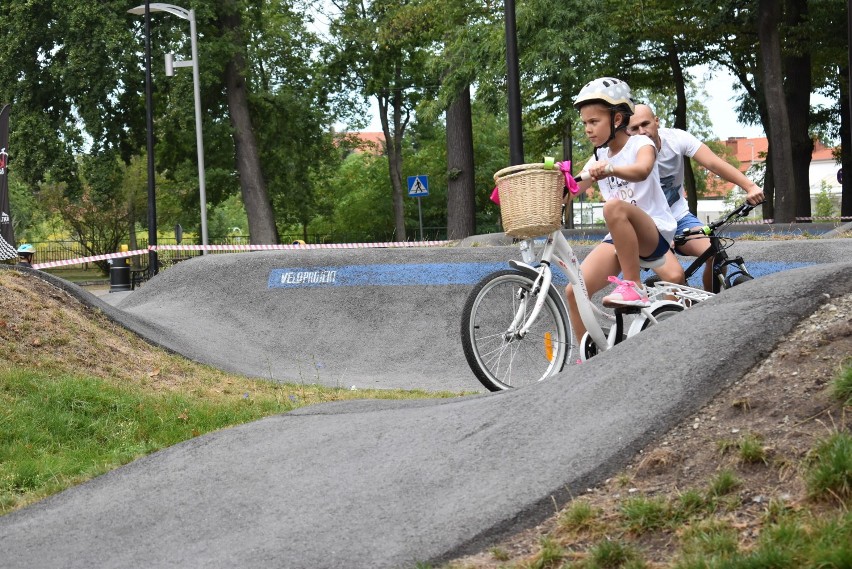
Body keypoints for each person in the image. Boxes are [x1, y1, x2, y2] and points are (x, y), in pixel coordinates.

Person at [565, 78, 682, 342]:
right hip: (620, 236)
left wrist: (610, 169)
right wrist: (556, 192)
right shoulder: (598, 157)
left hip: (652, 230)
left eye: (594, 122)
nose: (588, 129)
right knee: (574, 291)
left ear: (617, 119)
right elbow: (573, 187)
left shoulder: (640, 144)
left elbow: (641, 171)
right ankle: (590, 359)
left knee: (614, 206)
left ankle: (634, 285)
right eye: (584, 123)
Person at [627, 104, 765, 290]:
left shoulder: (676, 139)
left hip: (680, 218)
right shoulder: (624, 153)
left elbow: (713, 163)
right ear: (627, 131)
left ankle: (711, 304)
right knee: (676, 283)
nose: (642, 132)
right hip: (648, 225)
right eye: (634, 128)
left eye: (645, 124)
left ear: (656, 121)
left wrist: (750, 186)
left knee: (715, 253)